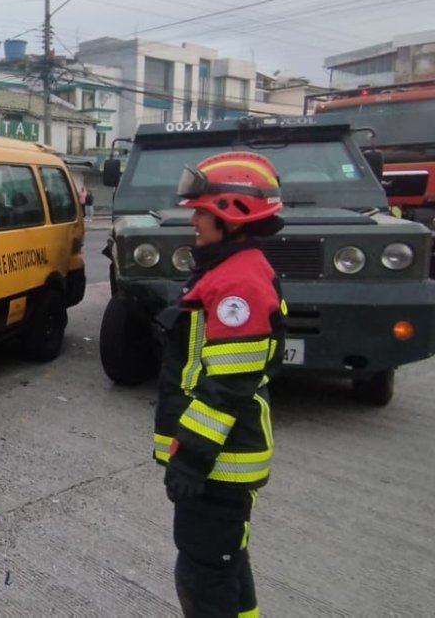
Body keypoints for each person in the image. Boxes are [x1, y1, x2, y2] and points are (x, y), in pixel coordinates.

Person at [153, 152, 286, 618]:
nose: (193, 219)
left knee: (205, 573)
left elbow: (226, 388)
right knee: (227, 560)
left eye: (202, 211)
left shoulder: (238, 285)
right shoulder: (227, 268)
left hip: (220, 460)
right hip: (219, 456)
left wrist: (190, 459)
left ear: (232, 215)